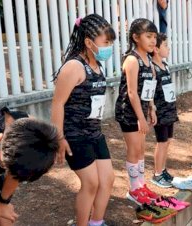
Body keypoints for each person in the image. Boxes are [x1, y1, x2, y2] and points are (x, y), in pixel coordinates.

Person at [51, 14, 116, 226]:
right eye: (106, 42)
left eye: (111, 42)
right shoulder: (74, 67)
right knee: (90, 183)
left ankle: (96, 222)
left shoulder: (97, 65)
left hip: (94, 132)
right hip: (74, 135)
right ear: (89, 42)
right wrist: (59, 137)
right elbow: (57, 104)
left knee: (107, 180)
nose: (109, 47)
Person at [0, 107, 59, 226]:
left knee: (3, 220)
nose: (5, 168)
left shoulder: (36, 136)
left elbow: (17, 173)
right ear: (0, 138)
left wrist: (3, 202)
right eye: (3, 164)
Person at [115, 18, 159, 205]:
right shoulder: (132, 59)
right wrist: (140, 117)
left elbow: (148, 88)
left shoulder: (148, 59)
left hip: (142, 110)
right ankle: (133, 190)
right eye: (148, 36)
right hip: (129, 111)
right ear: (135, 37)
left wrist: (151, 108)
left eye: (154, 37)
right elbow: (132, 92)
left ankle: (141, 185)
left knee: (141, 149)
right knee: (134, 149)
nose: (153, 41)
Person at [149, 33, 178, 188]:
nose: (168, 48)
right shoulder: (152, 68)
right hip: (160, 110)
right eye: (165, 45)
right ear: (156, 49)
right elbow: (150, 91)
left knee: (168, 141)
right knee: (161, 142)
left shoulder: (165, 65)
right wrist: (152, 108)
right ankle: (157, 174)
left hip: (169, 109)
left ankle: (163, 169)